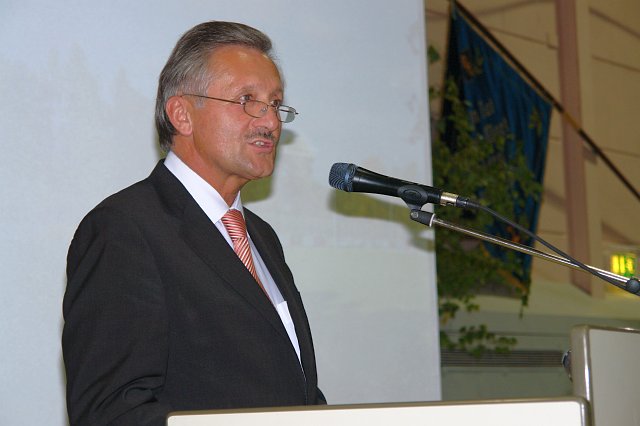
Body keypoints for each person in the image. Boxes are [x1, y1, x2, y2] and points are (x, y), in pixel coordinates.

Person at [62, 21, 325, 426]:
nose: (271, 122)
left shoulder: (261, 237)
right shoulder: (124, 230)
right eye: (247, 100)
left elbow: (290, 391)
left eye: (275, 104)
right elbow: (111, 410)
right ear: (182, 114)